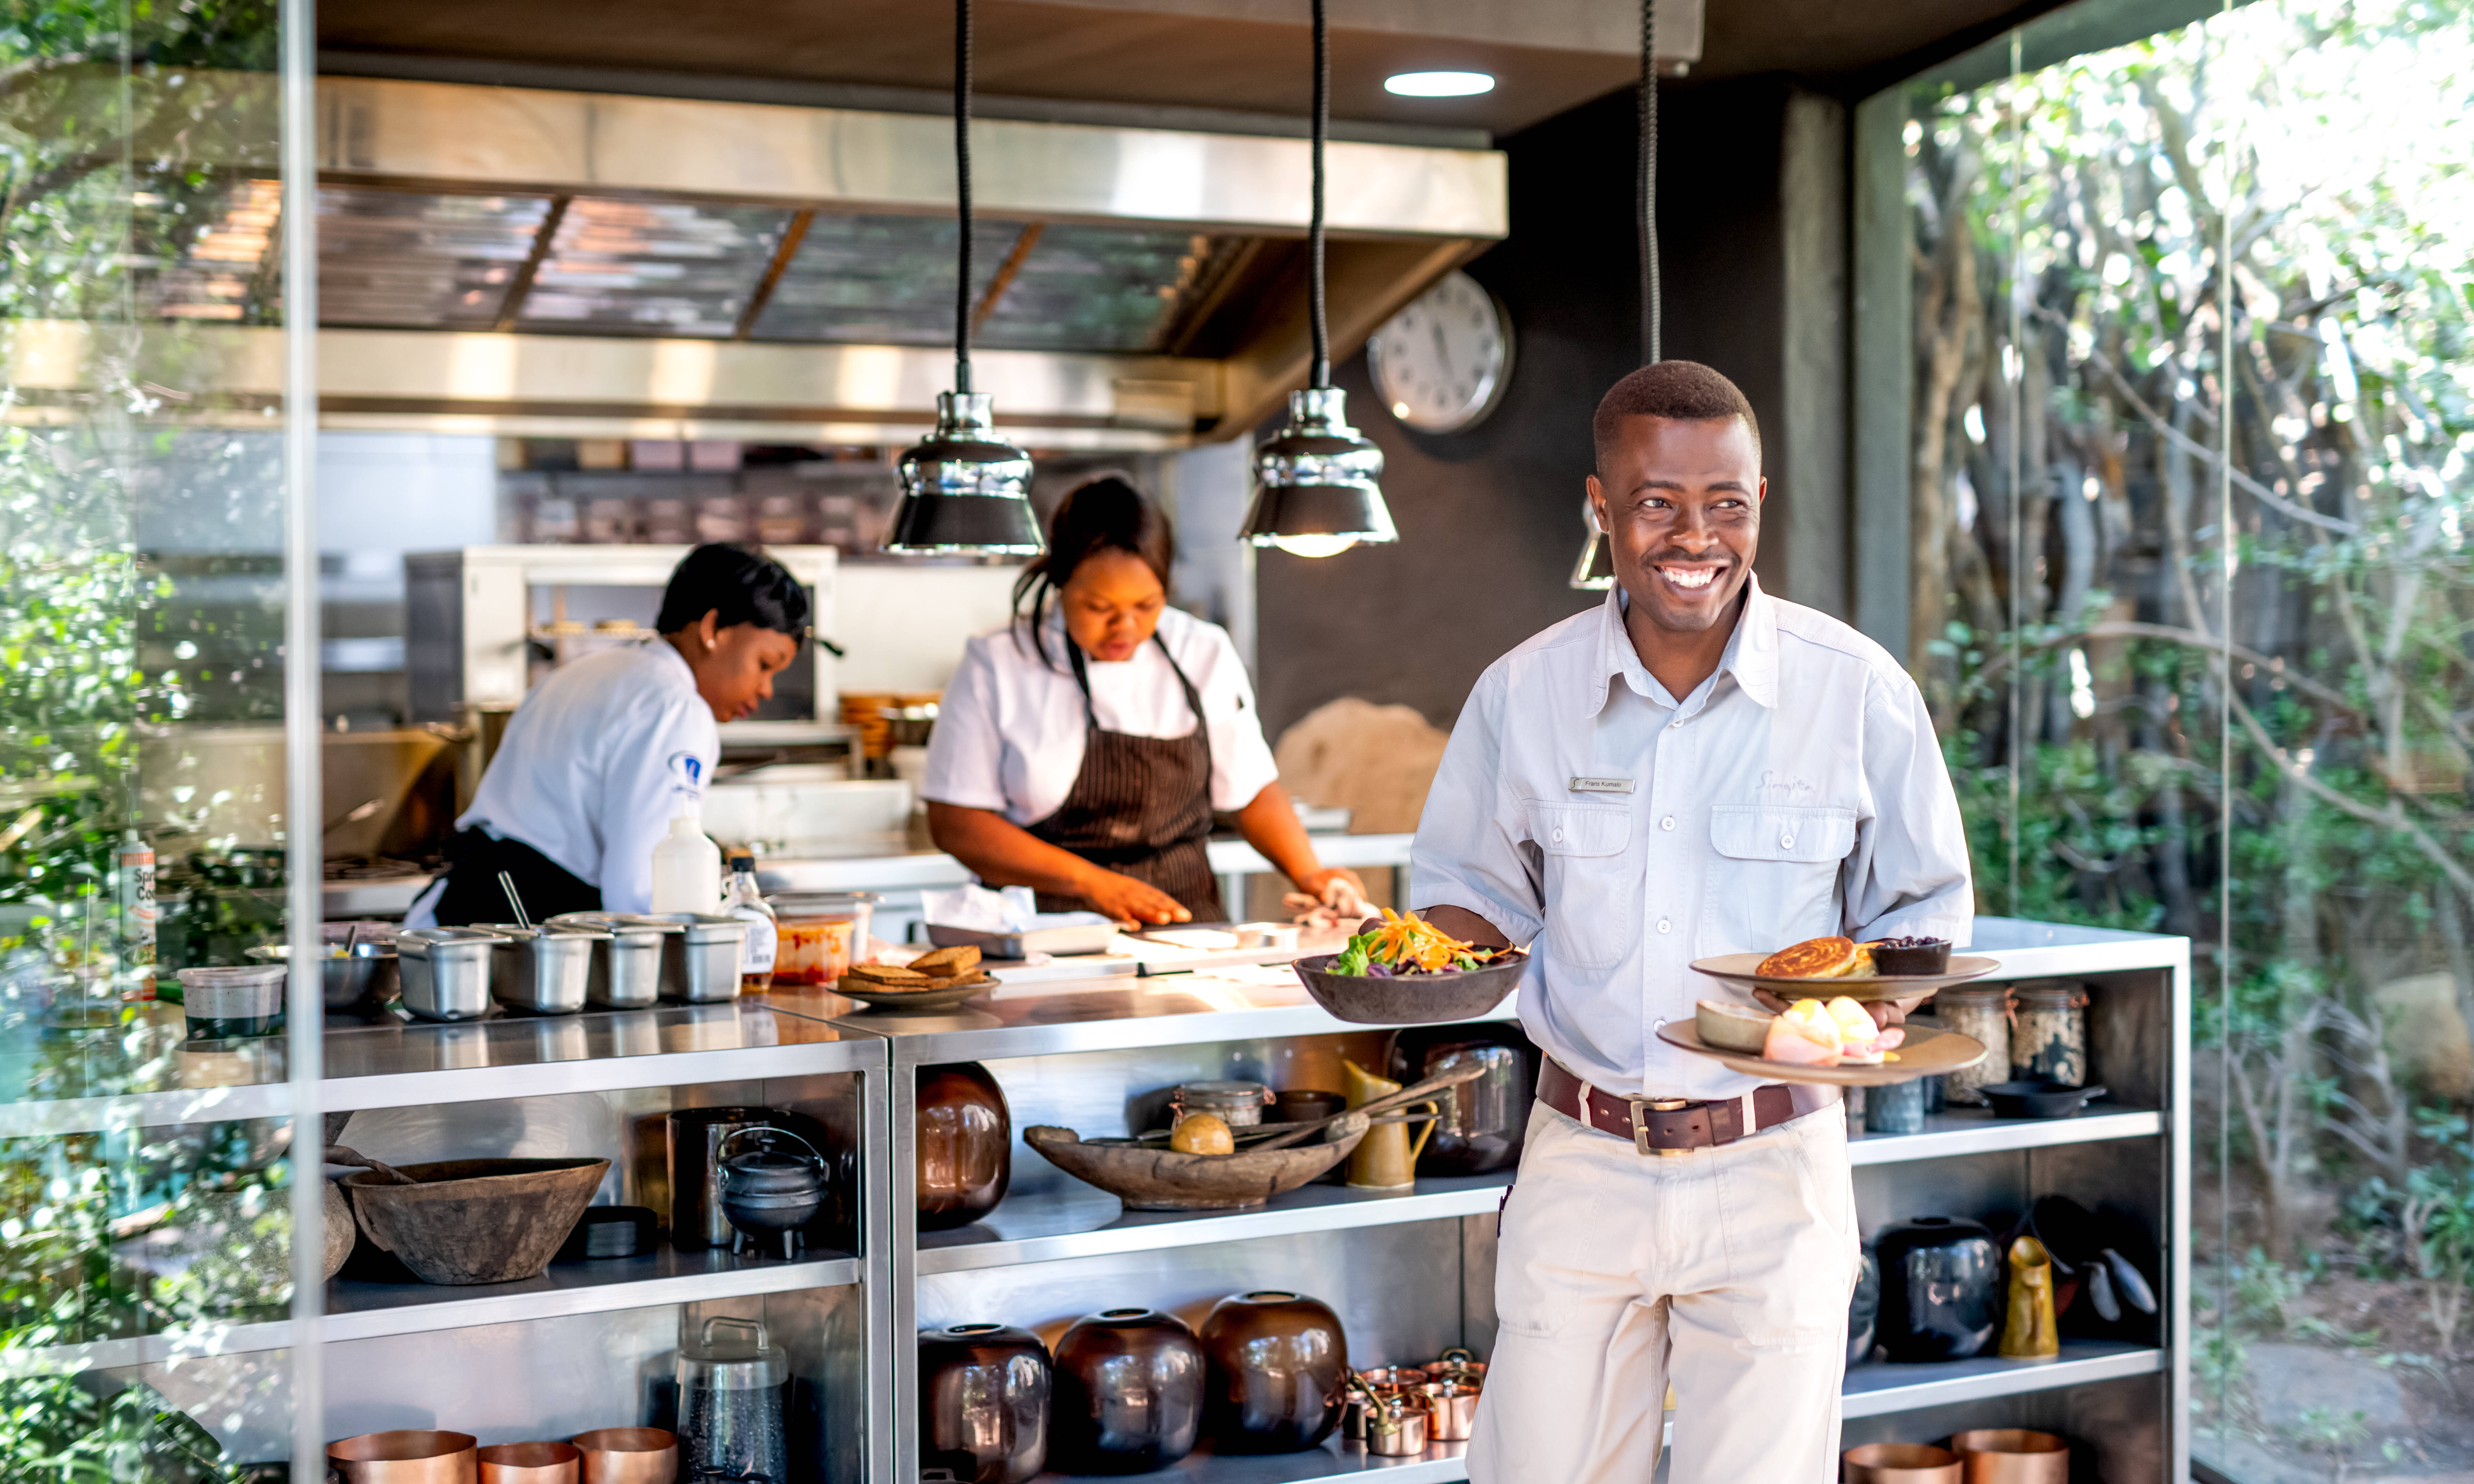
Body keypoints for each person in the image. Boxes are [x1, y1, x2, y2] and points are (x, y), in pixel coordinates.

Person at [1408, 361, 1971, 1482]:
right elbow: (1463, 896)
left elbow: (1920, 917)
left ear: (1761, 499)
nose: (1693, 536)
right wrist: (1421, 958)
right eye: (1656, 502)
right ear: (1601, 507)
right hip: (1581, 1157)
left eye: (1726, 503)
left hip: (1775, 1165)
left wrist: (1854, 1020)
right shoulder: (1523, 696)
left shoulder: (1854, 691)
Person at [924, 472, 1365, 926]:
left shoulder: (1202, 650)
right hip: (1042, 936)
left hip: (1188, 932)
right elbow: (956, 822)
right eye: (1099, 608)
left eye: (1146, 606)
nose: (1126, 628)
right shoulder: (999, 662)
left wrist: (1308, 872)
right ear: (1060, 581)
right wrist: (1093, 883)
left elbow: (1250, 790)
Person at [407, 543, 808, 927]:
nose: (766, 689)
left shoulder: (584, 672)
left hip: (458, 914)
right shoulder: (675, 708)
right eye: (765, 664)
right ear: (713, 629)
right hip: (526, 939)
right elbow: (642, 891)